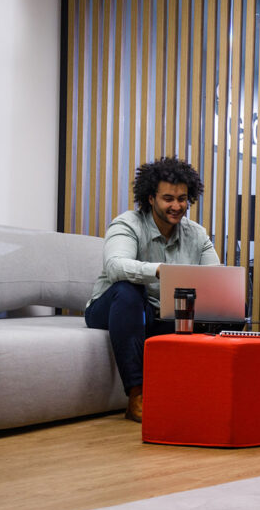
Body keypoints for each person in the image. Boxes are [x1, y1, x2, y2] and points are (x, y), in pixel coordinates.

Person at [85, 157, 219, 423]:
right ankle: (136, 395)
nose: (176, 206)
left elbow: (214, 279)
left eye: (182, 199)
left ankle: (213, 391)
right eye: (168, 198)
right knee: (128, 290)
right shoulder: (127, 224)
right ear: (150, 198)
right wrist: (159, 270)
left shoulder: (197, 234)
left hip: (162, 313)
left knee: (226, 308)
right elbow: (115, 266)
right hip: (113, 307)